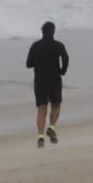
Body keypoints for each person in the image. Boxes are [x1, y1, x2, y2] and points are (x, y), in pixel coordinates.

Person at [25, 20, 69, 148]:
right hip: (54, 80)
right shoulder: (59, 45)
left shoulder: (35, 46)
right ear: (53, 32)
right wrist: (63, 70)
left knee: (41, 109)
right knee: (56, 106)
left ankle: (40, 137)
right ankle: (52, 127)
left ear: (42, 32)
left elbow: (28, 64)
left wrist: (38, 61)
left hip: (40, 82)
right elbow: (66, 59)